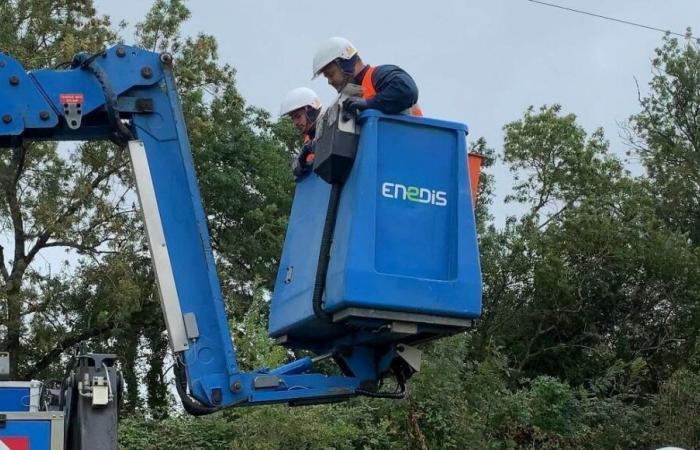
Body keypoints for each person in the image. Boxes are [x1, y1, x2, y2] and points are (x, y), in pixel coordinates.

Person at [311, 36, 422, 117]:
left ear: (346, 64)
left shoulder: (378, 75)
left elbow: (407, 91)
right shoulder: (354, 96)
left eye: (331, 74)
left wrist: (369, 103)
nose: (329, 82)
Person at [279, 87, 322, 178]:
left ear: (311, 112)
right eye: (293, 119)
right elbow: (297, 169)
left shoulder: (328, 127)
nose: (295, 123)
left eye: (298, 116)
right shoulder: (308, 139)